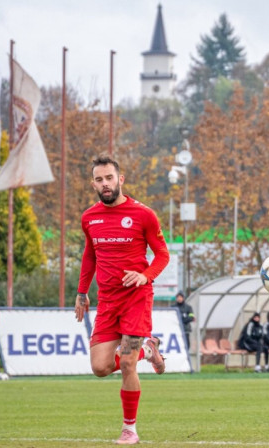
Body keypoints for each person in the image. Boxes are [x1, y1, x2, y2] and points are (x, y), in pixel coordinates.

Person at [74, 155, 170, 445]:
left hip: (136, 299)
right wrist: (81, 292)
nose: (105, 184)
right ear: (93, 184)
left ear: (120, 180)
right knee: (100, 368)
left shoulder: (144, 215)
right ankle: (149, 350)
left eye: (109, 178)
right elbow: (90, 254)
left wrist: (145, 275)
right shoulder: (89, 218)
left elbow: (163, 255)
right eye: (100, 180)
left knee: (127, 363)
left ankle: (130, 430)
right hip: (107, 301)